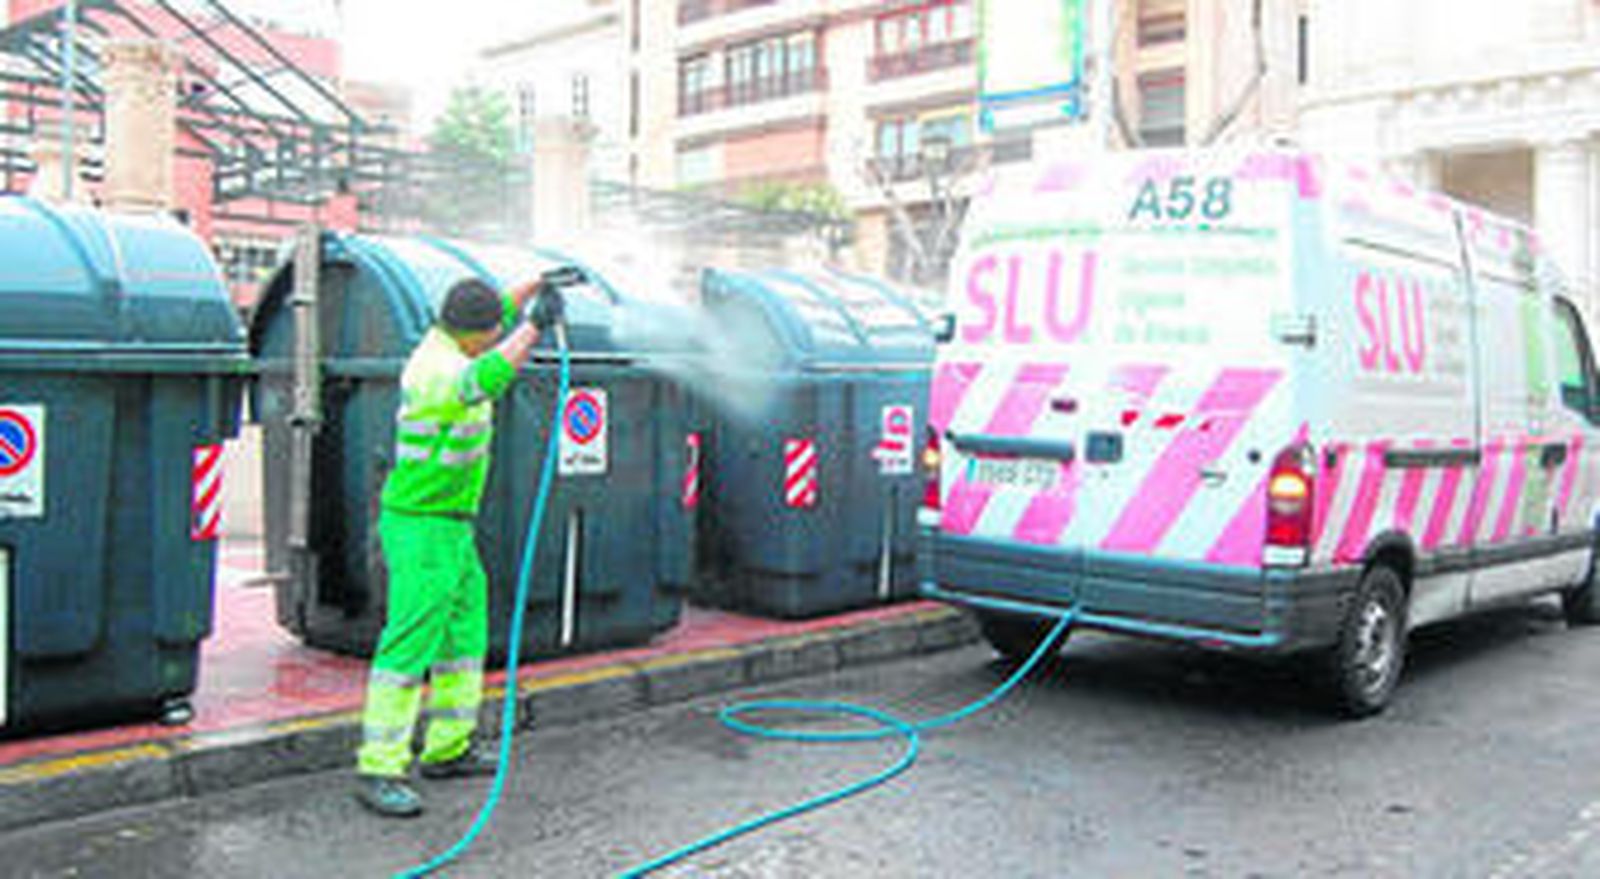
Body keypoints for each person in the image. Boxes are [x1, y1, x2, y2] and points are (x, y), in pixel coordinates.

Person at [355, 276, 546, 818]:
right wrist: (535, 327)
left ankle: (447, 748)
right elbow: (486, 378)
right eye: (495, 330)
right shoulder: (439, 368)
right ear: (477, 334)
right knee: (409, 645)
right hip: (420, 526)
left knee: (462, 638)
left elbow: (492, 317)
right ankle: (379, 766)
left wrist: (531, 288)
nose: (497, 333)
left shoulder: (448, 339)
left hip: (452, 525)